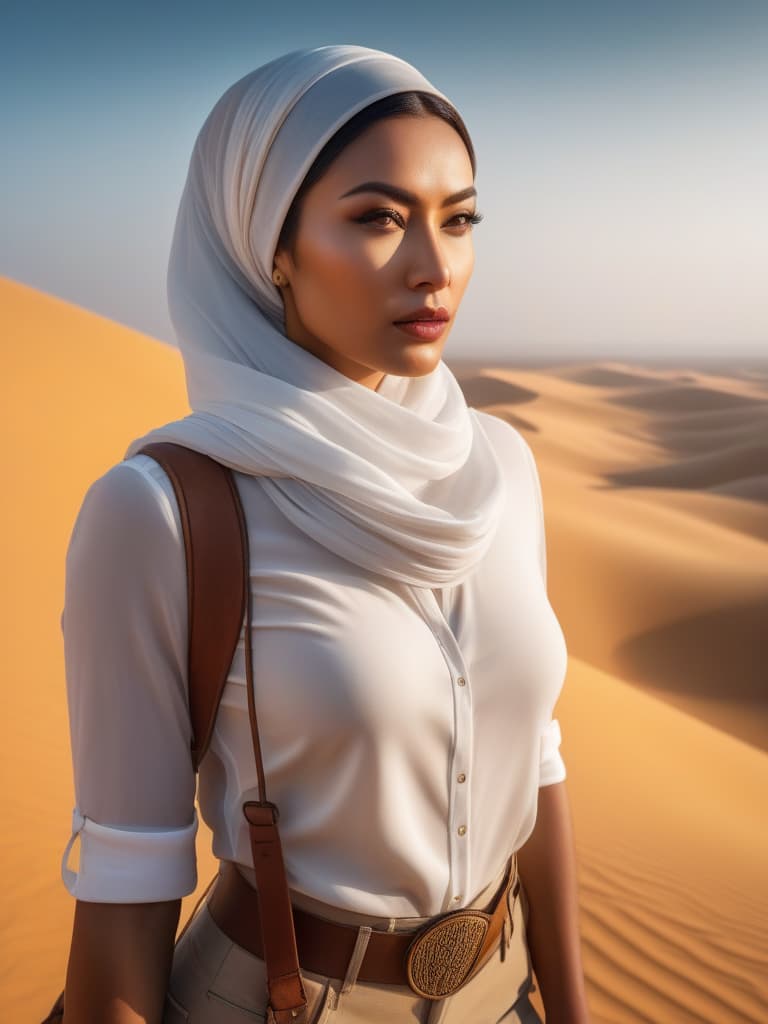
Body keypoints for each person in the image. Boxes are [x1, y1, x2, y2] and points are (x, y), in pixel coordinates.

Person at [58, 44, 591, 1024]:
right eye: (378, 219)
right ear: (274, 246)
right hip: (283, 1000)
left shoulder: (501, 469)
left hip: (503, 993)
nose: (436, 267)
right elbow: (125, 887)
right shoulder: (163, 509)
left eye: (459, 218)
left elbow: (536, 766)